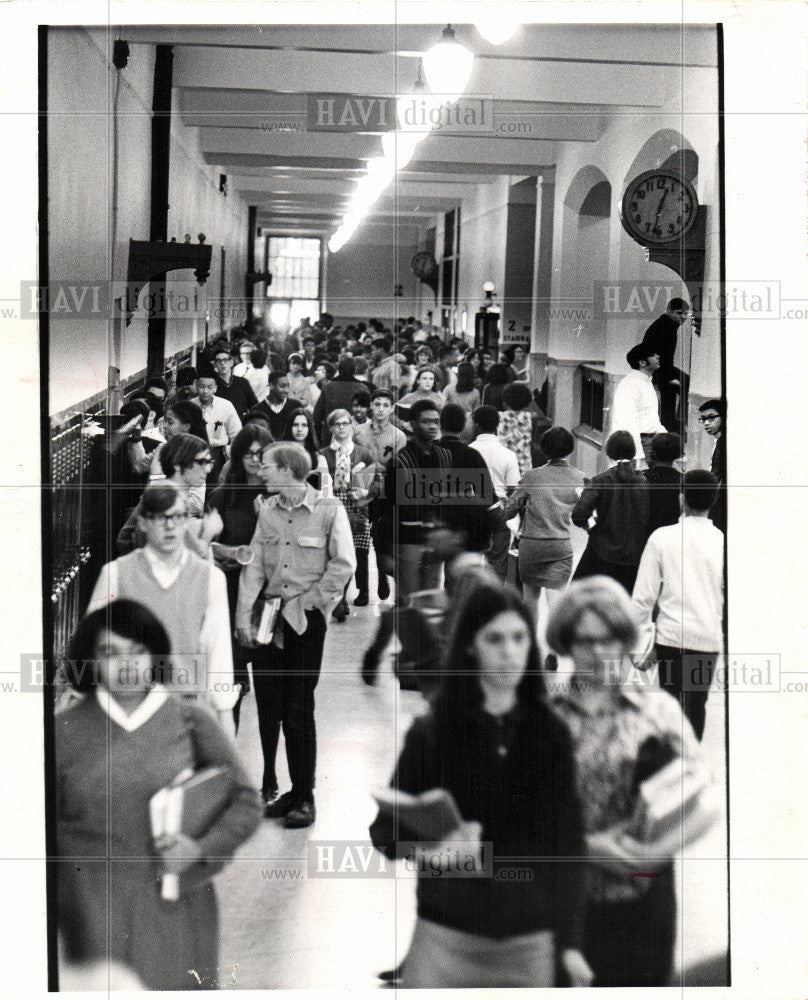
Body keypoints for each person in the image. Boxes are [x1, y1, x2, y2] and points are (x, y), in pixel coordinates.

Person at [369, 579, 592, 989]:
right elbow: (384, 834)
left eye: (519, 638)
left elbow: (569, 846)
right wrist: (428, 848)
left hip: (529, 943)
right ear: (470, 646)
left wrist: (572, 943)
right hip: (445, 939)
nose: (509, 652)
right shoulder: (431, 734)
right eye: (495, 639)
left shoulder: (552, 735)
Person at [56, 600, 261, 991]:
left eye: (138, 651)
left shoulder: (191, 719)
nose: (128, 665)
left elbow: (246, 802)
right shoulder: (63, 730)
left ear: (156, 657)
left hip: (174, 901)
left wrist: (200, 849)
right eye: (110, 653)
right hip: (87, 907)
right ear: (90, 661)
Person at [548, 576, 705, 987]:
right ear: (565, 643)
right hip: (564, 903)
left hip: (644, 903)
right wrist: (584, 849)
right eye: (584, 640)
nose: (599, 652)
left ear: (625, 640)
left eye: (610, 638)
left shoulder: (659, 711)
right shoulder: (545, 716)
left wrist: (652, 855)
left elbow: (703, 799)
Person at [236, 443, 355, 827]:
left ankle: (305, 796)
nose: (261, 471)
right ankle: (287, 792)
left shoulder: (328, 510)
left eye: (268, 466)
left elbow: (344, 563)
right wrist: (243, 617)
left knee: (299, 710)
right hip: (269, 618)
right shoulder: (268, 512)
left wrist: (310, 603)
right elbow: (253, 567)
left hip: (304, 622)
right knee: (270, 705)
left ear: (288, 470)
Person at [88, 481, 238, 734]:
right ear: (143, 523)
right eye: (159, 518)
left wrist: (224, 715)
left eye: (178, 517)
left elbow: (218, 651)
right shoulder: (115, 574)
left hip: (186, 711)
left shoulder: (210, 579)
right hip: (129, 711)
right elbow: (93, 646)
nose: (170, 526)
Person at [632, 470, 724, 740]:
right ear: (714, 501)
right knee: (696, 706)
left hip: (671, 637)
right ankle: (691, 768)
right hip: (706, 638)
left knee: (670, 708)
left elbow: (643, 598)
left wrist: (638, 642)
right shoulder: (722, 542)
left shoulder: (661, 538)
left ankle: (671, 770)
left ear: (681, 498)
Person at [207, 424, 273, 732]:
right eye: (249, 454)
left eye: (262, 455)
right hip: (231, 591)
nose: (256, 461)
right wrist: (234, 553)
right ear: (238, 456)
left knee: (270, 686)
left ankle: (270, 769)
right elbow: (206, 544)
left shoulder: (278, 497)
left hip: (268, 596)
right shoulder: (222, 496)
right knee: (229, 682)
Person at [504, 427, 586, 650]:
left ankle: (530, 648)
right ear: (571, 449)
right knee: (555, 601)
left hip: (531, 543)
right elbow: (584, 513)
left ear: (543, 449)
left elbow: (510, 509)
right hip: (560, 544)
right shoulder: (579, 479)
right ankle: (552, 650)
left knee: (530, 598)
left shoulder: (532, 476)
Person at [382, 399, 452, 598]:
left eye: (436, 422)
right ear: (413, 425)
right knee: (408, 601)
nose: (432, 426)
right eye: (426, 421)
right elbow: (387, 507)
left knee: (430, 600)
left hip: (435, 540)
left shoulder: (445, 457)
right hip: (407, 540)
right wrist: (385, 551)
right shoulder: (400, 461)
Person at [116, 433, 222, 556]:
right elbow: (187, 555)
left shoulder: (171, 494)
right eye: (200, 462)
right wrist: (208, 532)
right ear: (177, 464)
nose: (208, 469)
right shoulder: (166, 499)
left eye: (209, 462)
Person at [572, 431, 649, 593]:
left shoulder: (599, 480)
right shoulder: (643, 482)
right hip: (633, 557)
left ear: (609, 452)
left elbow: (579, 515)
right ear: (633, 452)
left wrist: (592, 528)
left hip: (601, 552)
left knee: (579, 595)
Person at [318, 409, 376, 613]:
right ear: (331, 428)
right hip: (334, 503)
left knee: (359, 550)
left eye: (345, 423)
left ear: (352, 425)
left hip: (357, 505)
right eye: (337, 424)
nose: (341, 427)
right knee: (337, 550)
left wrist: (365, 491)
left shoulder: (363, 453)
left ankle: (363, 590)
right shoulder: (324, 454)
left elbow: (376, 481)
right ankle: (340, 596)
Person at [354, 389, 407, 602]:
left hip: (385, 491)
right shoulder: (358, 432)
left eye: (386, 405)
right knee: (360, 541)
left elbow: (398, 467)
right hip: (360, 486)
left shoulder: (398, 436)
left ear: (392, 408)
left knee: (379, 538)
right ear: (371, 407)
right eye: (377, 404)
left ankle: (382, 576)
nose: (381, 409)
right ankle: (363, 589)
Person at [470, 405, 520, 579]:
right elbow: (514, 490)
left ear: (476, 425)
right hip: (499, 510)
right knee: (498, 562)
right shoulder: (508, 455)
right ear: (497, 425)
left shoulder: (469, 451)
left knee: (471, 562)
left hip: (473, 509)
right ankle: (494, 601)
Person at [610, 343, 666, 469]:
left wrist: (665, 436)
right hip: (641, 443)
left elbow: (650, 417)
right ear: (642, 362)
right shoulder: (629, 385)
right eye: (653, 355)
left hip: (653, 441)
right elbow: (628, 422)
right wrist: (639, 457)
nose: (658, 357)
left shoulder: (646, 382)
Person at [640, 298, 691, 430]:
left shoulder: (667, 324)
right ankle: (677, 421)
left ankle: (675, 420)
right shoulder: (666, 326)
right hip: (656, 369)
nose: (683, 317)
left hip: (657, 368)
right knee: (682, 383)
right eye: (679, 313)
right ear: (670, 312)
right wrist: (670, 377)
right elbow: (664, 356)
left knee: (682, 383)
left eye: (686, 314)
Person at [194, 366, 242, 483]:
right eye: (202, 387)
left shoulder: (226, 406)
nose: (205, 391)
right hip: (194, 453)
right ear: (196, 386)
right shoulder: (190, 405)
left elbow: (236, 435)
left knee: (215, 487)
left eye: (209, 387)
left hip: (217, 454)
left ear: (215, 388)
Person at [312, 356, 368, 439]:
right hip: (355, 436)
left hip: (331, 436)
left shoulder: (328, 387)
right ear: (354, 370)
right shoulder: (362, 388)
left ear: (339, 369)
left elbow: (317, 416)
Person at [284, 407, 331, 494]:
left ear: (309, 428)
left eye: (304, 425)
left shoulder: (319, 459)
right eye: (295, 425)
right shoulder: (281, 455)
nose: (299, 429)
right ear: (290, 427)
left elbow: (326, 489)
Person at [644, 432, 684, 536]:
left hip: (647, 534)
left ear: (654, 452)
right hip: (673, 534)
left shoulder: (643, 478)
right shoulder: (682, 479)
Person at [497, 381, 537, 477]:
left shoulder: (498, 416)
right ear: (527, 402)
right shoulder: (532, 418)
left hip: (502, 463)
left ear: (505, 401)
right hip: (523, 463)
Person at [699, 398, 726, 532]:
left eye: (711, 418)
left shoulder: (723, 443)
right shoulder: (720, 441)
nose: (706, 423)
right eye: (703, 419)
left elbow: (716, 477)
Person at [212, 344, 258, 420]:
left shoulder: (242, 382)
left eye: (225, 360)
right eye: (219, 361)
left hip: (242, 424)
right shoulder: (212, 385)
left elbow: (254, 406)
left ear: (231, 362)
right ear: (215, 364)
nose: (222, 363)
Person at [254, 370, 303, 440]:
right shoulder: (258, 410)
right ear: (271, 386)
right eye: (282, 386)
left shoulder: (296, 406)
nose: (286, 390)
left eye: (288, 386)